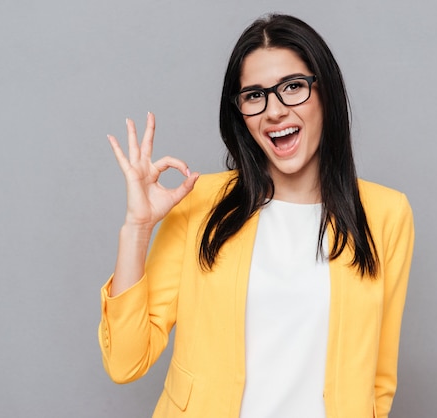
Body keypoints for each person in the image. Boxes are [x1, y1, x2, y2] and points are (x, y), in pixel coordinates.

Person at [99, 13, 414, 418]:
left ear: (326, 93)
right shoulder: (199, 203)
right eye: (254, 95)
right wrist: (137, 229)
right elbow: (125, 362)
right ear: (241, 113)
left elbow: (379, 380)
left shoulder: (386, 215)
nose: (275, 111)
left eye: (293, 87)